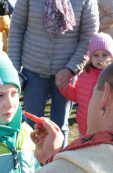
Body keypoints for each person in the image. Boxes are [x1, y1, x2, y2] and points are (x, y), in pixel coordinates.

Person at [8, 0, 99, 148]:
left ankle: (58, 164)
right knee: (31, 124)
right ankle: (32, 165)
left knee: (60, 126)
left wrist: (70, 69)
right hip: (33, 69)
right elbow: (17, 28)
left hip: (66, 72)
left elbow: (89, 36)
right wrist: (15, 69)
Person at [59, 32, 113, 136]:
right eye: (96, 55)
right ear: (90, 57)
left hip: (105, 129)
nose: (100, 59)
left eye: (105, 55)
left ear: (112, 57)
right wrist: (64, 86)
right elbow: (76, 96)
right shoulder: (84, 76)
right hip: (84, 127)